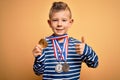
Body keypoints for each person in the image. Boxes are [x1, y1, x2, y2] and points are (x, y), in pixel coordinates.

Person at [32, 1, 98, 80]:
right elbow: (38, 72)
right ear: (49, 23)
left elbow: (94, 64)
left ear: (70, 22)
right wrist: (39, 57)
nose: (59, 24)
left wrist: (87, 50)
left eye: (64, 20)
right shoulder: (44, 45)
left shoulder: (78, 46)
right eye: (55, 20)